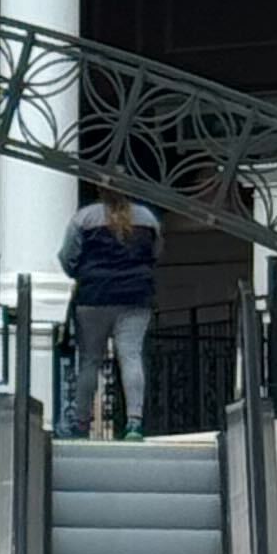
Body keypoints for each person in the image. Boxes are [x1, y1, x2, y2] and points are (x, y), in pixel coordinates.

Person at [58, 181, 159, 436]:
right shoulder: (147, 218)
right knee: (131, 357)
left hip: (93, 297)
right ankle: (134, 422)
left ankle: (81, 422)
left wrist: (80, 272)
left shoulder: (84, 218)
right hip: (136, 297)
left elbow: (67, 256)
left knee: (90, 360)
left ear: (100, 190)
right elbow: (155, 253)